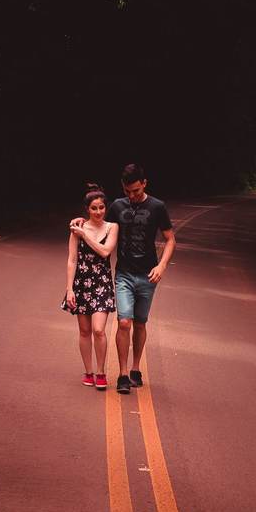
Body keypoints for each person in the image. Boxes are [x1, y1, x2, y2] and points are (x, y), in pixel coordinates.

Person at [70, 163, 174, 394]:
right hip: (124, 274)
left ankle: (136, 368)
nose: (132, 195)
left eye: (136, 190)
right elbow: (98, 221)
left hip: (148, 275)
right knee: (124, 322)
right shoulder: (118, 205)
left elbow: (170, 239)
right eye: (128, 191)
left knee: (140, 323)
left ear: (144, 183)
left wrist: (162, 265)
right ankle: (123, 374)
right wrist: (81, 220)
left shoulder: (157, 206)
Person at [62, 183, 119, 390]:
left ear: (106, 207)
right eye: (94, 208)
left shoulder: (112, 227)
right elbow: (72, 260)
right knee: (84, 331)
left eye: (101, 207)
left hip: (102, 283)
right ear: (87, 209)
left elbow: (105, 252)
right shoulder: (76, 229)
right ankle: (88, 371)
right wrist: (69, 289)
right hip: (81, 284)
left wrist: (85, 235)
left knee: (98, 330)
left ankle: (101, 372)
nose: (98, 212)